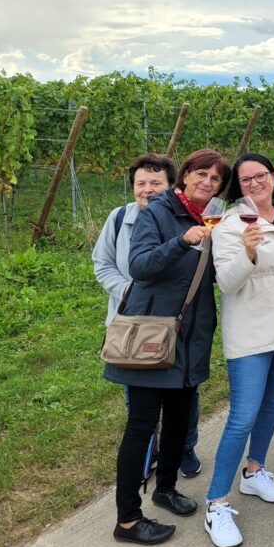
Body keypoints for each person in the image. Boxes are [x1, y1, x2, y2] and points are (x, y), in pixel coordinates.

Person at [103, 149, 230, 545]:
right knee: (141, 427)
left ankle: (166, 488)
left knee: (178, 421)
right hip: (152, 337)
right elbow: (139, 266)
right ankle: (127, 521)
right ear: (186, 175)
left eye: (215, 179)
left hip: (190, 338)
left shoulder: (213, 218)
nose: (207, 183)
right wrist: (181, 241)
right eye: (201, 174)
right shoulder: (157, 213)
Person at [203, 153, 274, 547]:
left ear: (273, 177)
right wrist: (247, 253)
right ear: (238, 186)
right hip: (251, 332)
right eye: (246, 179)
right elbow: (227, 282)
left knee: (273, 404)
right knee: (242, 416)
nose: (255, 182)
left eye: (261, 175)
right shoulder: (232, 225)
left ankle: (254, 471)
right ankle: (216, 502)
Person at [92, 153, 178, 486]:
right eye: (140, 183)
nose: (147, 190)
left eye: (156, 183)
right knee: (138, 401)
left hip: (171, 323)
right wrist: (129, 290)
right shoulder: (118, 219)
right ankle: (147, 456)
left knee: (182, 397)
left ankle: (183, 448)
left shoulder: (179, 219)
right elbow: (102, 264)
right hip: (129, 325)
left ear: (170, 186)